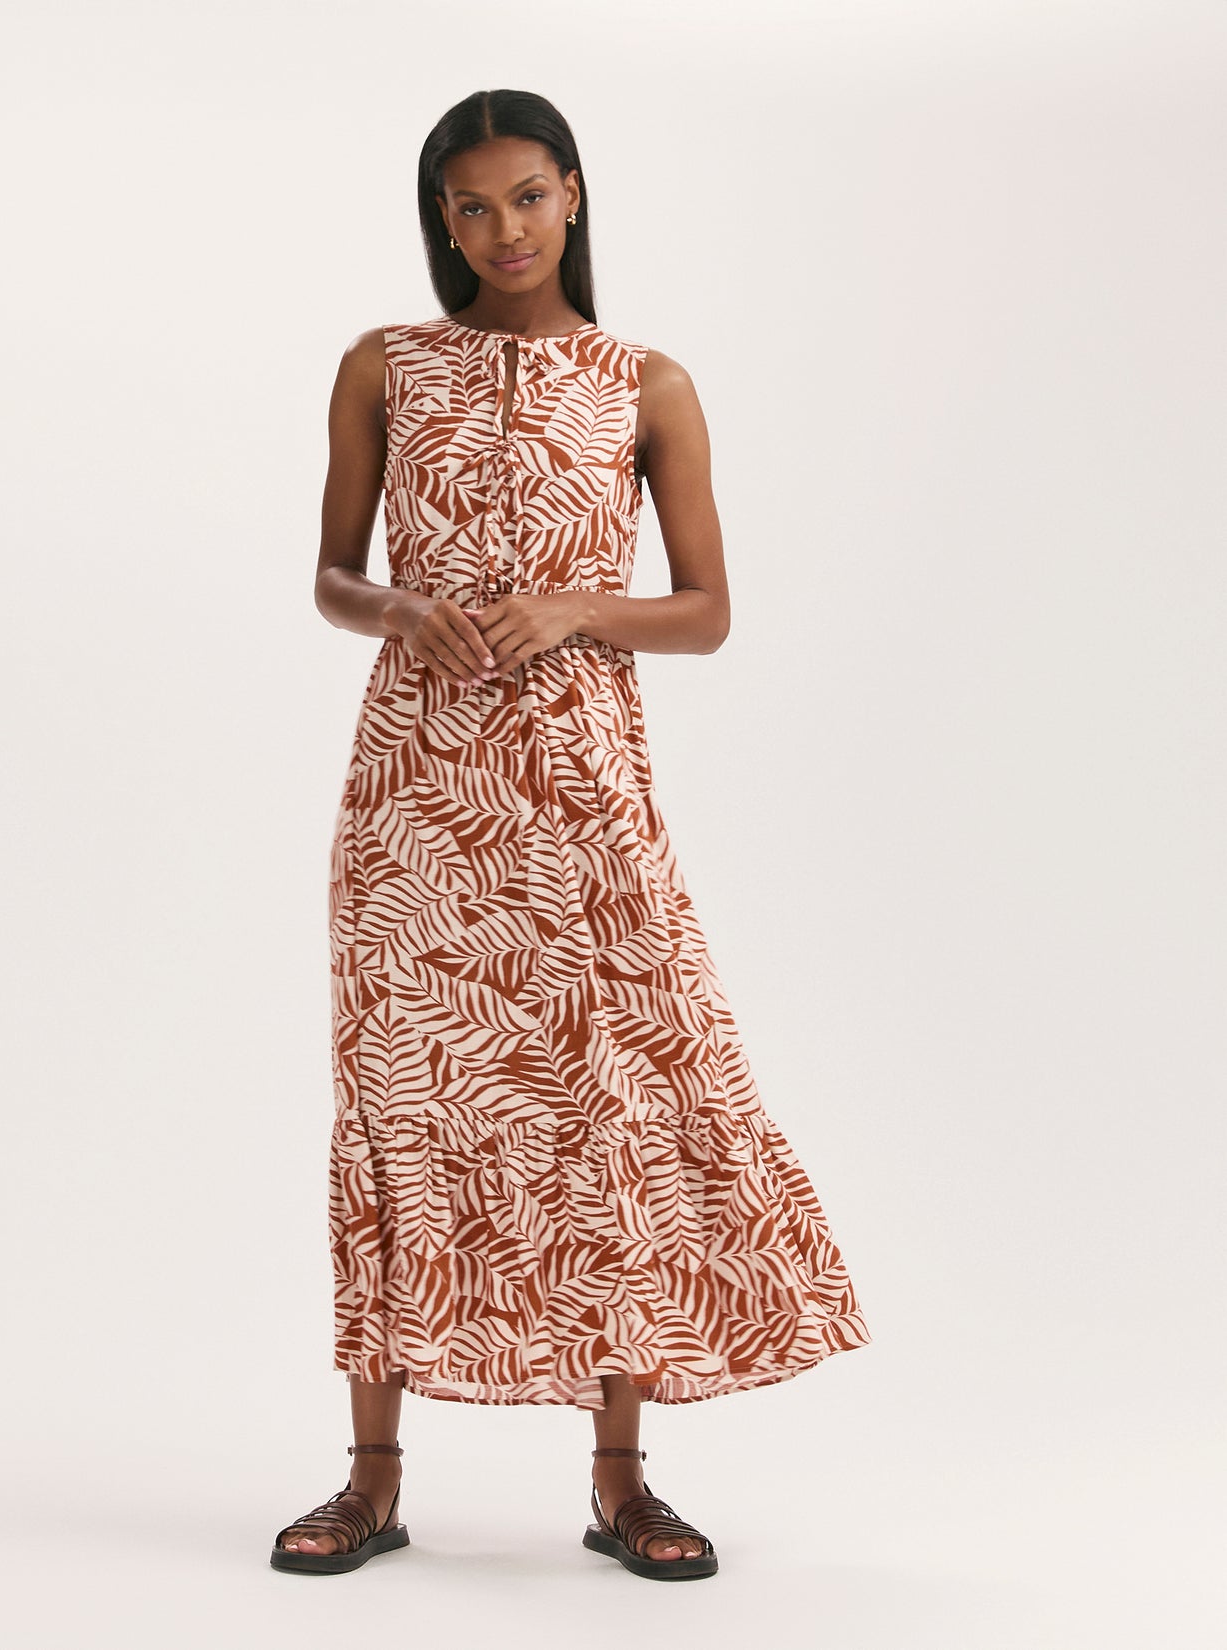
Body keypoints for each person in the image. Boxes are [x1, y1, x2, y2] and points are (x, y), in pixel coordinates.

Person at [271, 89, 871, 1581]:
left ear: (576, 196)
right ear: (442, 223)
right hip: (417, 793)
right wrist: (402, 604)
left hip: (583, 788)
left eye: (528, 197)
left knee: (608, 1106)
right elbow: (331, 577)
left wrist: (578, 607)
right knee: (405, 1108)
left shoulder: (645, 381)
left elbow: (709, 612)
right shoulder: (383, 368)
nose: (503, 230)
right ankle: (370, 1475)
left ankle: (620, 1477)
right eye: (469, 208)